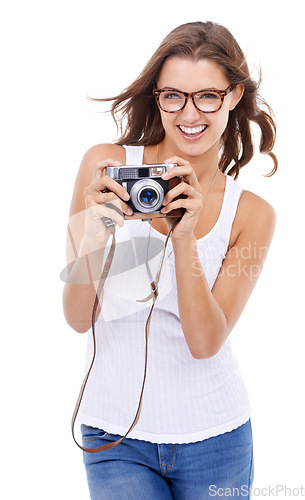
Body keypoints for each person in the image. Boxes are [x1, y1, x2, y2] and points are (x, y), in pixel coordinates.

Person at [63, 20, 277, 500]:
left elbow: (205, 342)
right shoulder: (104, 165)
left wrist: (184, 238)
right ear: (157, 96)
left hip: (216, 437)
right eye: (173, 95)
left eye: (207, 96)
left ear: (235, 95)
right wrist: (97, 228)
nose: (189, 113)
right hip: (114, 434)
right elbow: (77, 316)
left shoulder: (252, 214)